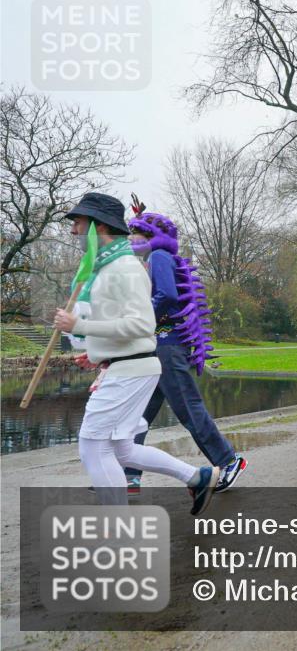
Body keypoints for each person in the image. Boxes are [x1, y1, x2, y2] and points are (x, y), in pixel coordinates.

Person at [54, 192, 217, 515]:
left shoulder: (124, 267)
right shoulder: (106, 267)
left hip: (130, 370)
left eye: (78, 223)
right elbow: (122, 324)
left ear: (98, 226)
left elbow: (142, 324)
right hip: (127, 366)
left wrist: (80, 325)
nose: (73, 230)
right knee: (122, 449)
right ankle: (197, 477)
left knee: (93, 446)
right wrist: (98, 354)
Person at [123, 198, 247, 495]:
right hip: (157, 347)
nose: (130, 239)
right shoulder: (152, 259)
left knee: (188, 409)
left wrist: (140, 321)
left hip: (168, 346)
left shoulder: (159, 256)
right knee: (136, 414)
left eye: (134, 233)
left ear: (149, 235)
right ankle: (128, 474)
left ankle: (228, 461)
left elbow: (167, 296)